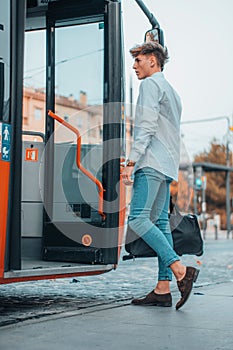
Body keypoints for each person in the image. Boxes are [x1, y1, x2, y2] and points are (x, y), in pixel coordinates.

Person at [122, 41, 199, 310]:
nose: (134, 66)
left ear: (153, 61)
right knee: (162, 223)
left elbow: (146, 126)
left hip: (151, 162)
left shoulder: (150, 85)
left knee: (138, 219)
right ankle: (163, 289)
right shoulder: (172, 92)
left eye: (138, 61)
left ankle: (180, 270)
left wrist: (132, 161)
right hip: (166, 165)